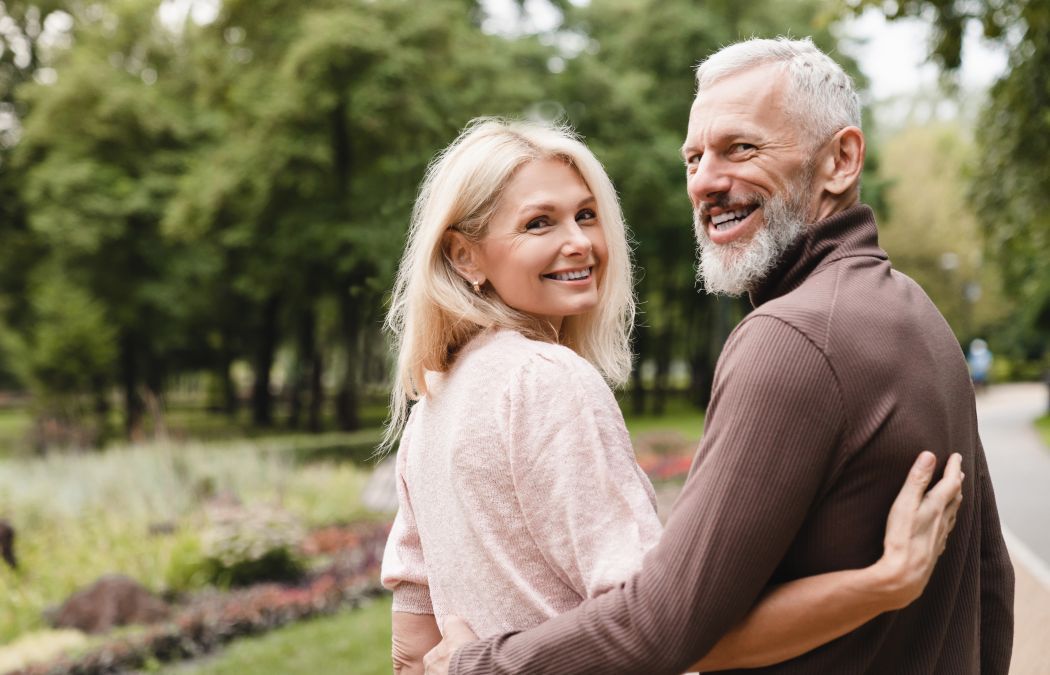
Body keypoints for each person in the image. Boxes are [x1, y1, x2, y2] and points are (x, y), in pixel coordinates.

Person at [426, 38, 1014, 675]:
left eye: (741, 148)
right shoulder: (917, 314)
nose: (705, 181)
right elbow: (991, 582)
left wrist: (476, 666)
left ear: (840, 160)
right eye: (694, 157)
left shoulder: (792, 337)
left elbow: (662, 624)